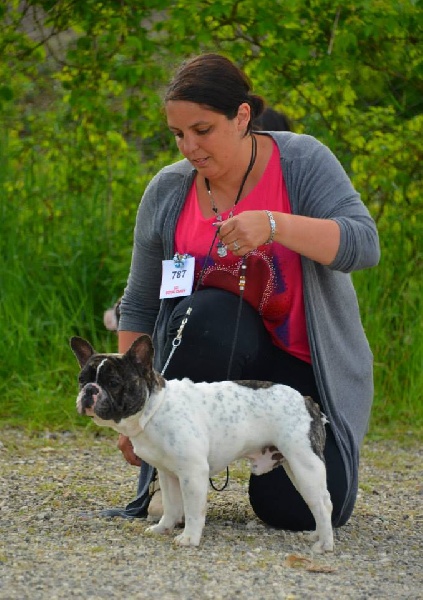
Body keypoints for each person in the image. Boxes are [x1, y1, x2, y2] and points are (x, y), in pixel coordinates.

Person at [103, 53, 380, 532]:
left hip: (303, 368)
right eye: (177, 134)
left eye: (202, 130)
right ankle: (176, 471)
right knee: (207, 315)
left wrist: (276, 225)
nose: (188, 146)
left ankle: (249, 466)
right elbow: (142, 302)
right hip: (216, 359)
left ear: (243, 116)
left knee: (298, 515)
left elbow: (363, 245)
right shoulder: (167, 191)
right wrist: (128, 392)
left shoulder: (303, 160)